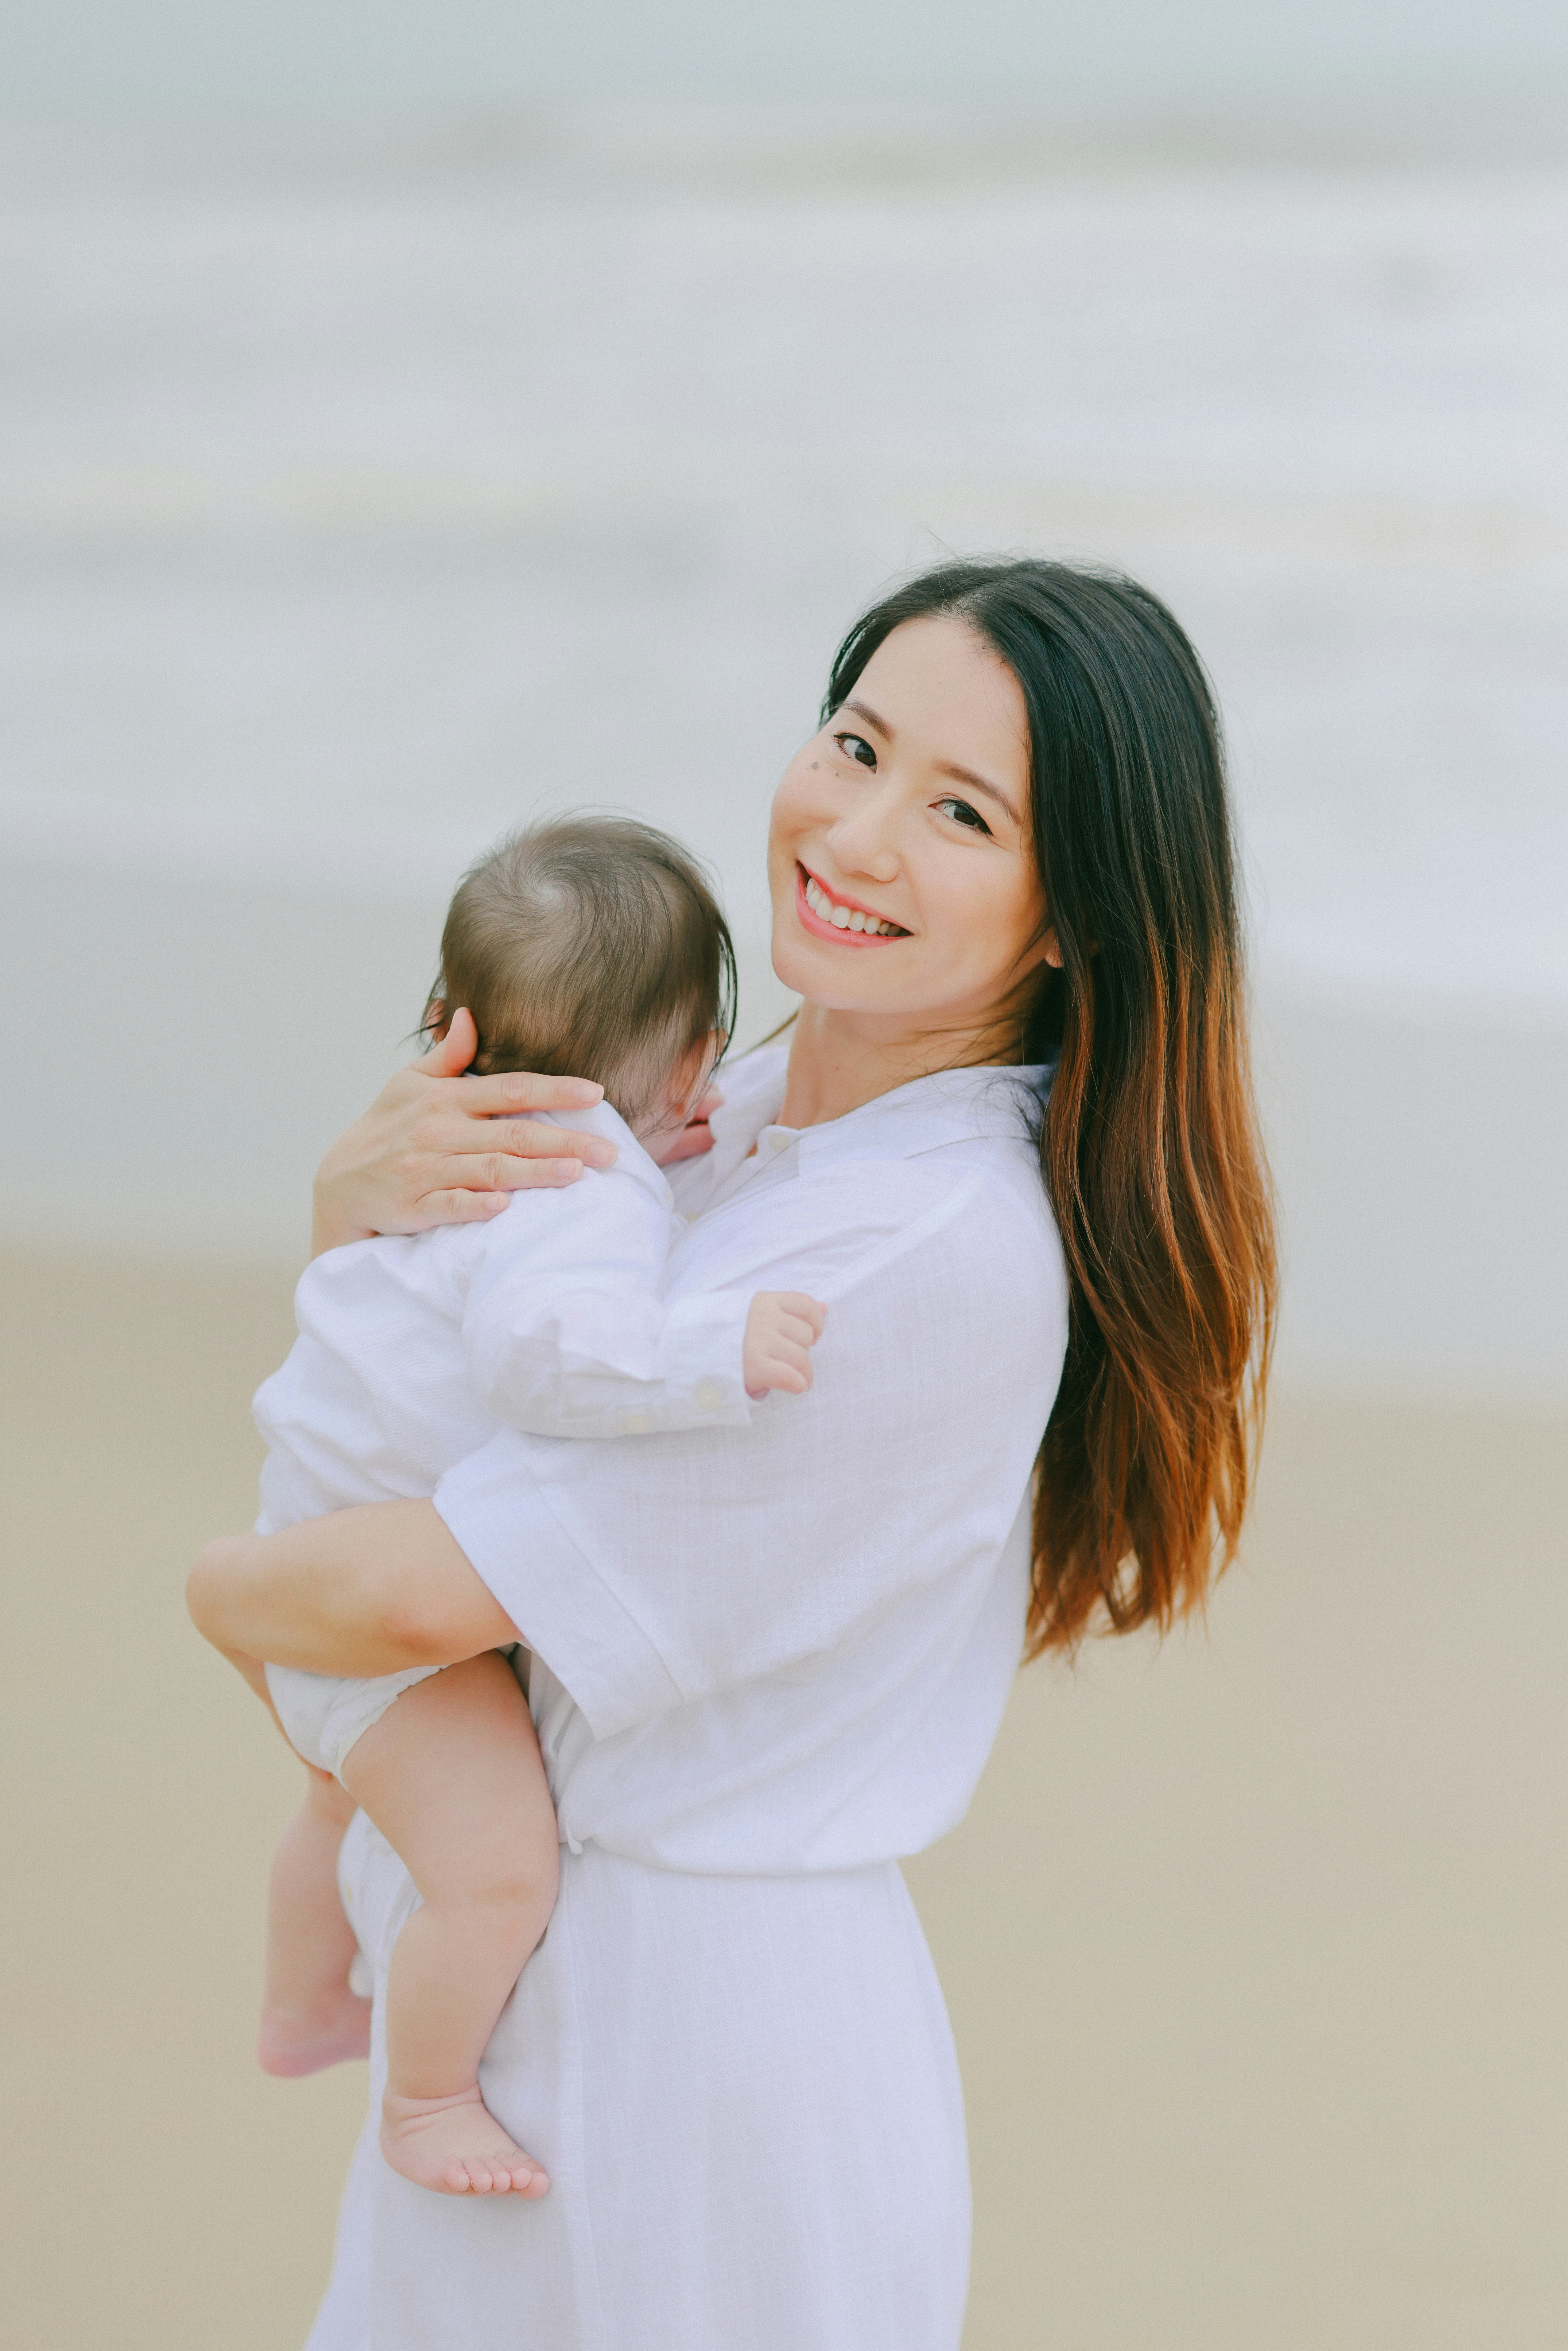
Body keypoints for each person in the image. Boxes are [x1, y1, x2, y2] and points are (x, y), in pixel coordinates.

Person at [188, 558, 1278, 2351]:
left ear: (1076, 907)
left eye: (957, 811)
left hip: (691, 2060)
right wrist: (345, 1220)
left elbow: (403, 1598)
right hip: (534, 1998)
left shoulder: (919, 1255)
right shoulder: (737, 1109)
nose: (852, 835)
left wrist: (219, 1590)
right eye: (852, 745)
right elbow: (426, 1422)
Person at [227, 816, 826, 2201]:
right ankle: (426, 2097)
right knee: (496, 1875)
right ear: (686, 1069)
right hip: (392, 1626)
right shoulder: (585, 1196)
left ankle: (307, 2000)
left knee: (337, 1803)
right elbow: (538, 1353)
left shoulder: (442, 1151)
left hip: (309, 1548)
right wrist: (710, 1350)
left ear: (454, 1024)